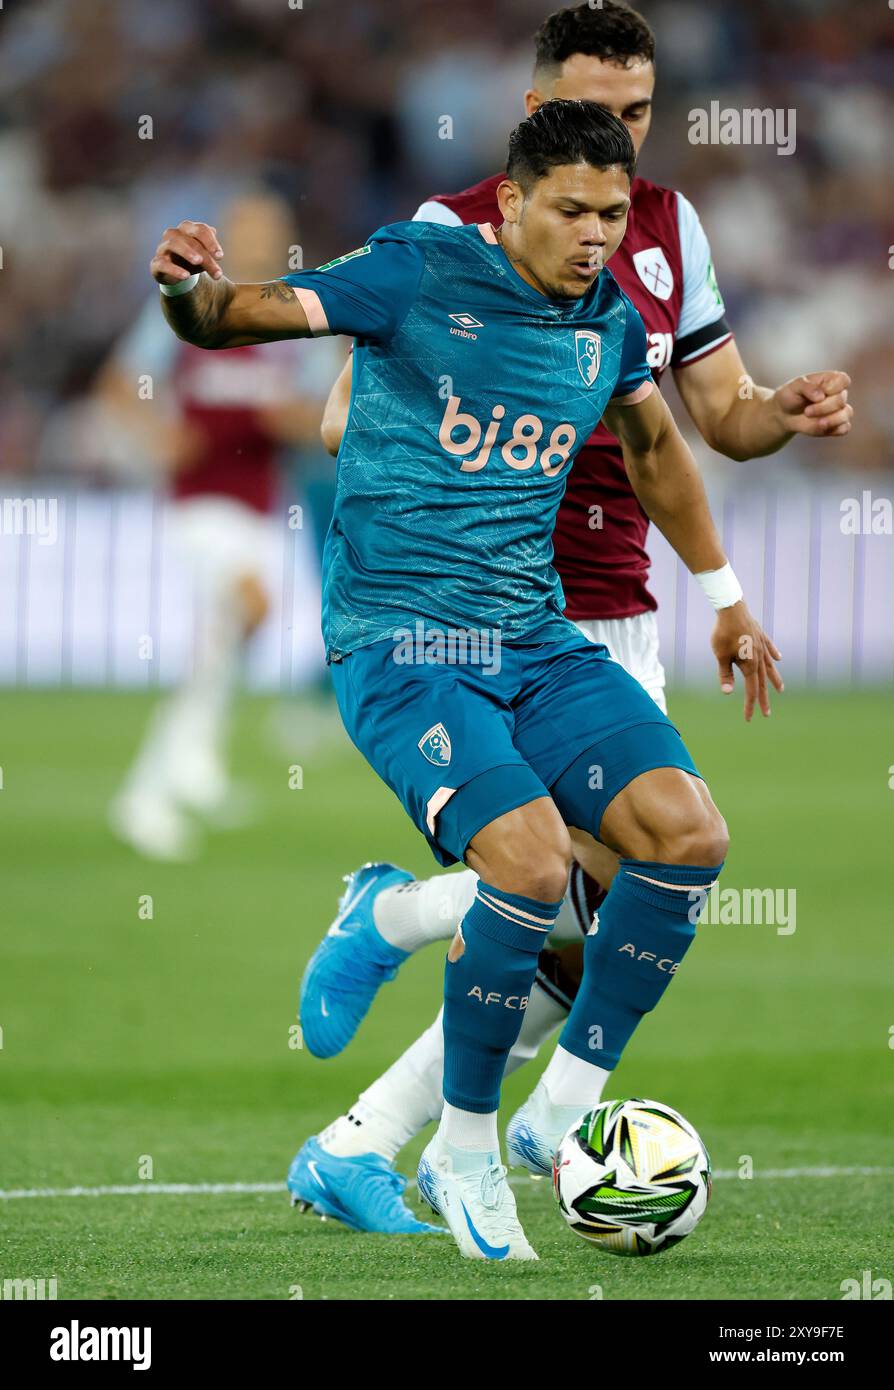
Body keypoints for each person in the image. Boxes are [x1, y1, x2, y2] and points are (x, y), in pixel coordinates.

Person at [150, 99, 781, 1260]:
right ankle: (462, 1142)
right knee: (534, 864)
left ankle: (558, 1100)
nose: (595, 236)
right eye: (573, 211)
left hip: (534, 639)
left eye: (610, 212)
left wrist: (730, 595)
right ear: (513, 202)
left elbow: (658, 451)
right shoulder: (418, 268)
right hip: (402, 644)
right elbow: (238, 317)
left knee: (686, 833)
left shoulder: (605, 320)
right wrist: (190, 291)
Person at [288, 0, 852, 1238]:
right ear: (534, 115)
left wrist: (778, 429)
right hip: (491, 610)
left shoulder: (667, 233)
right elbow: (344, 417)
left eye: (646, 114)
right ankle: (417, 1024)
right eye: (598, 111)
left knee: (590, 911)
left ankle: (371, 1123)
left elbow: (712, 422)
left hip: (616, 613)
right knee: (552, 892)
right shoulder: (453, 234)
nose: (627, 141)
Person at [104, 191, 338, 860]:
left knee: (232, 631)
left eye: (271, 232)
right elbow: (121, 385)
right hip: (200, 501)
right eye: (249, 232)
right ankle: (145, 793)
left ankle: (193, 765)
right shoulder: (187, 300)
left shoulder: (295, 315)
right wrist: (157, 436)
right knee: (245, 609)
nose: (259, 243)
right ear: (229, 238)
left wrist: (279, 416)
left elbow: (320, 414)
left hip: (263, 501)